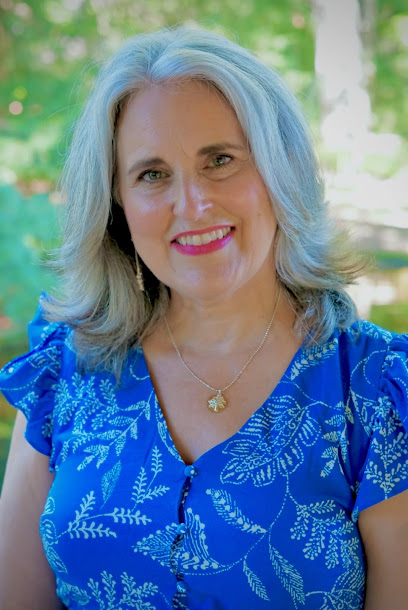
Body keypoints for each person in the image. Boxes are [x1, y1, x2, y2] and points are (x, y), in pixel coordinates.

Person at [0, 26, 407, 610]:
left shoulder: (377, 391)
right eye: (152, 174)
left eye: (220, 160)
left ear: (279, 168)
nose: (192, 205)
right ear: (117, 202)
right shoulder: (63, 374)